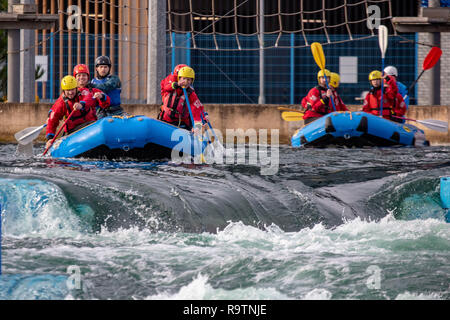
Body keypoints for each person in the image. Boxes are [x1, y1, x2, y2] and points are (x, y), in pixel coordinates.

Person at [45, 75, 98, 150]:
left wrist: (81, 104)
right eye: (68, 90)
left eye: (72, 89)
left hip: (89, 125)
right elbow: (53, 120)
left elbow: (89, 98)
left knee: (93, 124)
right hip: (73, 131)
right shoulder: (61, 103)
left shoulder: (83, 92)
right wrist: (50, 138)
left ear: (76, 88)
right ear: (64, 91)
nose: (70, 92)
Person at [158, 66, 208, 131]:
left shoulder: (191, 94)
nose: (186, 82)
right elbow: (165, 87)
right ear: (179, 78)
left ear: (191, 81)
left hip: (181, 123)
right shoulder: (171, 87)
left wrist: (199, 125)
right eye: (184, 79)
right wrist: (176, 84)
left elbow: (197, 110)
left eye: (188, 80)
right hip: (165, 119)